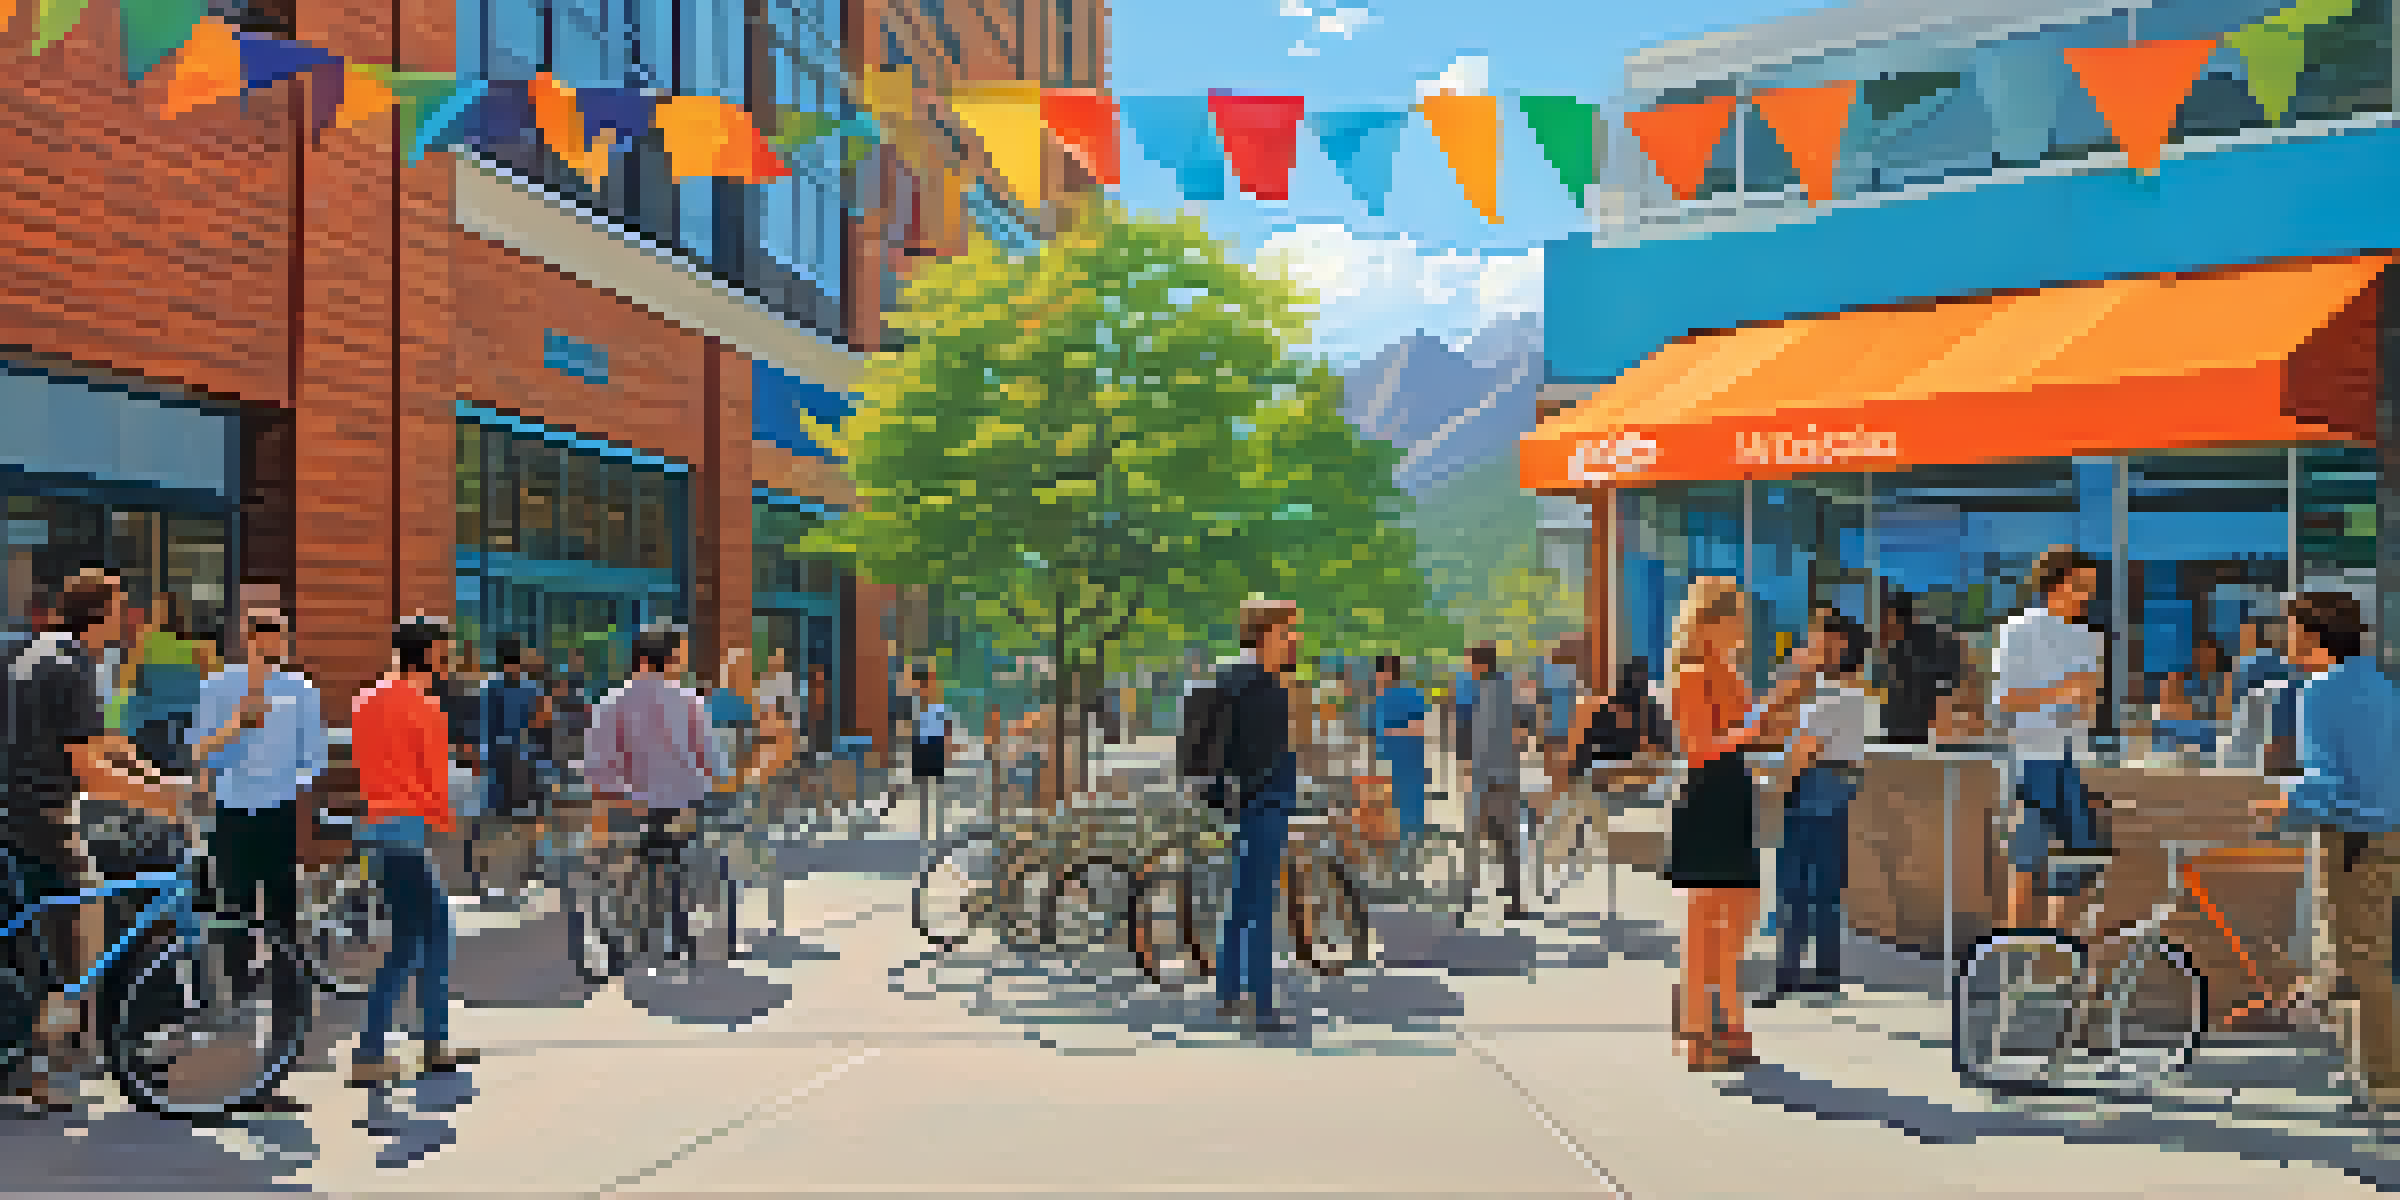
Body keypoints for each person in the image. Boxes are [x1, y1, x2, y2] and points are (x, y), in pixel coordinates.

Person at [2, 569, 193, 1114]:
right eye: (121, 608)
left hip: (13, 812)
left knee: (29, 940)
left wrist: (157, 777)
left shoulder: (39, 653)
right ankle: (47, 1063)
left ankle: (31, 1060)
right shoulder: (71, 667)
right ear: (101, 615)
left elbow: (100, 739)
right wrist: (168, 803)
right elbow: (87, 768)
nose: (128, 618)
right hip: (42, 817)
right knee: (78, 937)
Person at [2250, 592, 2400, 1116]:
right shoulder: (2376, 684)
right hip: (2385, 833)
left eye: (2290, 631)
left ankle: (2384, 1083)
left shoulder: (2319, 691)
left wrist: (2283, 801)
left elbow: (2330, 783)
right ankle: (2363, 1067)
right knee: (2351, 957)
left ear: (2314, 637)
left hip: (2353, 836)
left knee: (2360, 959)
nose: (2284, 641)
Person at [184, 603, 326, 1113]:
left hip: (279, 813)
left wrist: (291, 786)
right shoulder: (219, 686)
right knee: (233, 916)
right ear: (245, 639)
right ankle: (234, 1011)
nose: (270, 644)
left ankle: (285, 1021)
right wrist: (237, 726)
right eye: (260, 635)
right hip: (232, 814)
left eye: (278, 636)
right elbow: (199, 750)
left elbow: (315, 757)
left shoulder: (301, 691)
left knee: (284, 920)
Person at [348, 616, 481, 1087]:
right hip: (405, 828)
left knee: (422, 934)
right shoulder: (420, 703)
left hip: (378, 826)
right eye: (442, 654)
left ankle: (431, 1041)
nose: (446, 663)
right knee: (417, 938)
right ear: (423, 654)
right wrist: (448, 821)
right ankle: (378, 1050)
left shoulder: (368, 698)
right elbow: (434, 774)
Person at [1665, 577, 1769, 1072]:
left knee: (1736, 915)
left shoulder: (1728, 671)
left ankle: (1722, 1017)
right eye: (1735, 617)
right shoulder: (1691, 673)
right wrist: (1756, 727)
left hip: (1733, 793)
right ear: (1710, 622)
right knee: (1705, 919)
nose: (1742, 627)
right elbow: (1700, 746)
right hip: (1708, 795)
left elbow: (1742, 737)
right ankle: (1698, 1028)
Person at [580, 626, 718, 967]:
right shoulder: (691, 703)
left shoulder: (611, 703)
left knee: (619, 865)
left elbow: (598, 769)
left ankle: (626, 930)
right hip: (681, 805)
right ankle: (676, 931)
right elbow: (713, 765)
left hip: (629, 806)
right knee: (676, 863)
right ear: (671, 660)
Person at [1757, 611, 1870, 1008]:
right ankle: (1825, 972)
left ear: (1837, 646)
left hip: (1813, 789)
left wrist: (1773, 792)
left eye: (1817, 641)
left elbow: (1798, 750)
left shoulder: (1831, 699)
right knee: (1824, 887)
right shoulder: (1855, 697)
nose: (1808, 649)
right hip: (1836, 790)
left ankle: (1786, 976)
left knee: (1792, 886)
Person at [1994, 547, 2108, 934]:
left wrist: (2085, 706)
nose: (2087, 595)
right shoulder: (2019, 631)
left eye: (2091, 587)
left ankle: (2055, 962)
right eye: (2080, 585)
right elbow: (2004, 701)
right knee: (2026, 861)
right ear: (2053, 585)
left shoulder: (2091, 639)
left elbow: (2089, 709)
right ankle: (2013, 963)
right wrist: (2059, 692)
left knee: (2075, 863)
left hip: (2072, 758)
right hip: (2030, 756)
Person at [1214, 598, 1304, 1033]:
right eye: (1289, 630)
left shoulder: (1231, 678)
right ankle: (1263, 1004)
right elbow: (1274, 750)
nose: (1295, 638)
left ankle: (1230, 992)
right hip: (1265, 802)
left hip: (1241, 802)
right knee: (1260, 904)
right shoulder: (1266, 686)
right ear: (1268, 634)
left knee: (1242, 899)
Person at [1465, 642, 1535, 922]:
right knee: (1506, 841)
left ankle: (1467, 899)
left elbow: (1484, 742)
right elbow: (1527, 720)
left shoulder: (1488, 693)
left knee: (1480, 837)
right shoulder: (1506, 688)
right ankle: (1513, 898)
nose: (1469, 668)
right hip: (1506, 776)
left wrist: (1476, 774)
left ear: (1481, 664)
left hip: (1492, 780)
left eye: (1471, 662)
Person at [477, 636, 550, 900]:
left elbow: (485, 732)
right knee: (523, 821)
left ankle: (501, 877)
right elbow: (541, 726)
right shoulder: (531, 688)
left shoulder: (491, 687)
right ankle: (525, 873)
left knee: (503, 822)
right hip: (522, 764)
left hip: (503, 765)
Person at [1879, 590, 1960, 746]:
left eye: (1887, 617)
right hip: (1906, 720)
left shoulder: (1920, 640)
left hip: (1915, 721)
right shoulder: (1901, 642)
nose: (1885, 623)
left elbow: (1947, 673)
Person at [1370, 656, 1430, 843]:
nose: (1377, 678)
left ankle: (1413, 842)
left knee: (1410, 807)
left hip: (1409, 763)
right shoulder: (1379, 699)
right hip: (1387, 763)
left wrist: (1394, 731)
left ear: (1388, 673)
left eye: (1379, 674)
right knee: (1391, 806)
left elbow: (1422, 727)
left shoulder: (1411, 695)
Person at [908, 665, 958, 847]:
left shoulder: (938, 703)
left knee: (938, 791)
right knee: (924, 791)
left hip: (935, 745)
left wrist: (949, 749)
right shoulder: (915, 703)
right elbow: (911, 727)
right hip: (921, 746)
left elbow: (947, 727)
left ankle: (938, 833)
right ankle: (924, 833)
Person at [1538, 638, 1585, 793]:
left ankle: (1558, 786)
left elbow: (1544, 697)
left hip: (1556, 721)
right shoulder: (1566, 671)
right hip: (1564, 721)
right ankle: (1561, 786)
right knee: (1562, 756)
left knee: (1556, 755)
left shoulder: (1550, 670)